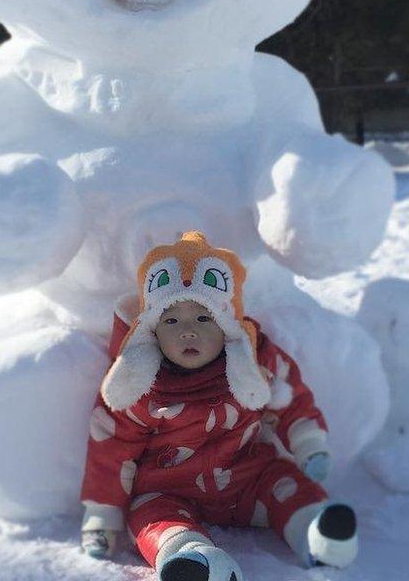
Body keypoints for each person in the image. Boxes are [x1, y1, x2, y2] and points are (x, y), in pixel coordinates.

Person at [79, 230, 359, 580]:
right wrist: (102, 513)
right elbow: (111, 445)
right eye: (171, 320)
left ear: (228, 323)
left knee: (286, 483)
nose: (187, 332)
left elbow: (290, 397)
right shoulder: (138, 384)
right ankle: (190, 558)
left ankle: (317, 532)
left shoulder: (253, 364)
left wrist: (308, 443)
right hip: (169, 489)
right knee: (149, 514)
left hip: (248, 478)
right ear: (151, 329)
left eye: (203, 317)